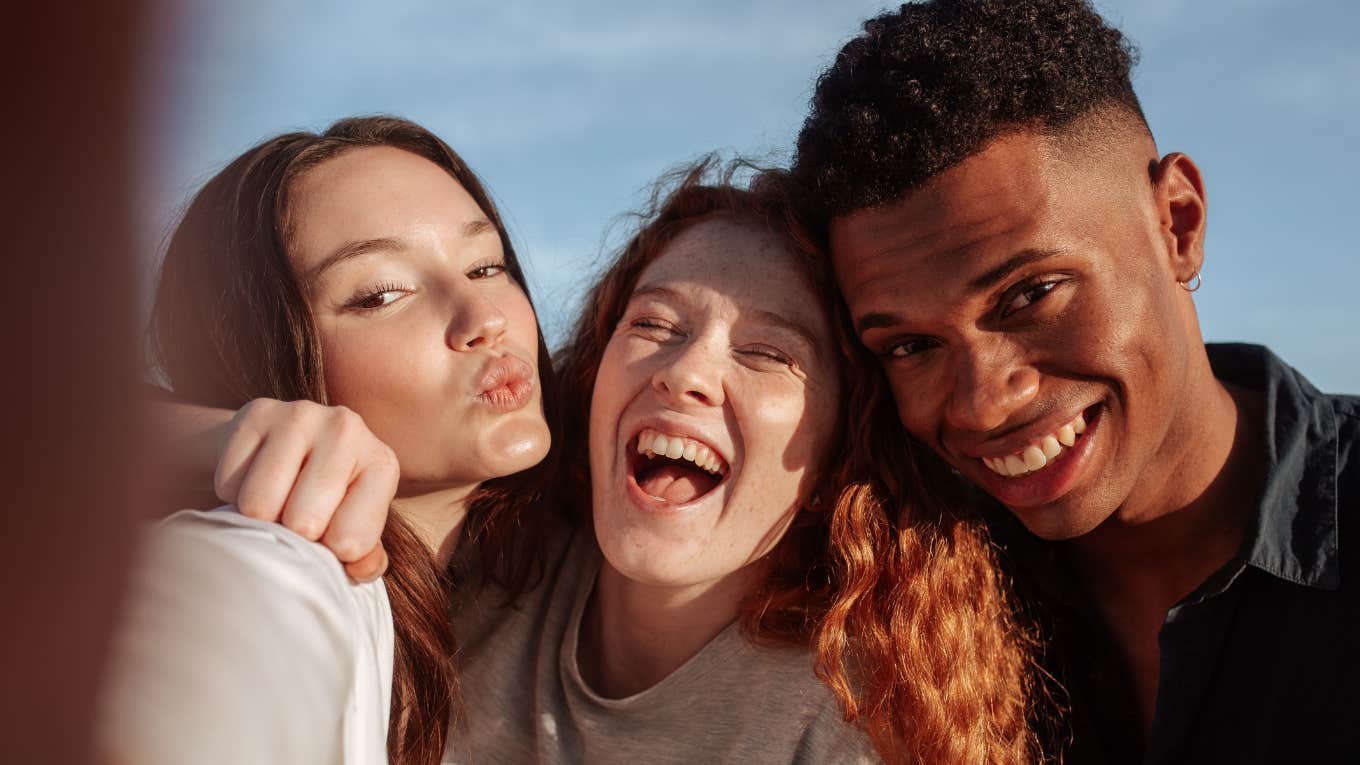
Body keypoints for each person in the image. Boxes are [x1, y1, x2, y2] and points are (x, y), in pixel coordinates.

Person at [148, 160, 1046, 762]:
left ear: (843, 449)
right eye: (652, 325)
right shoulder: (487, 548)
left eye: (771, 353)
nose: (688, 371)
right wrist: (223, 433)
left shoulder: (850, 724)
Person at [791, 0, 1358, 762]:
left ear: (1179, 224)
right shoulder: (896, 608)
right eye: (912, 344)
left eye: (1031, 294)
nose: (984, 400)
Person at [99, 116, 555, 765]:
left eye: (486, 265)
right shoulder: (281, 569)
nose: (484, 319)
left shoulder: (575, 541)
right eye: (382, 293)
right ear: (259, 355)